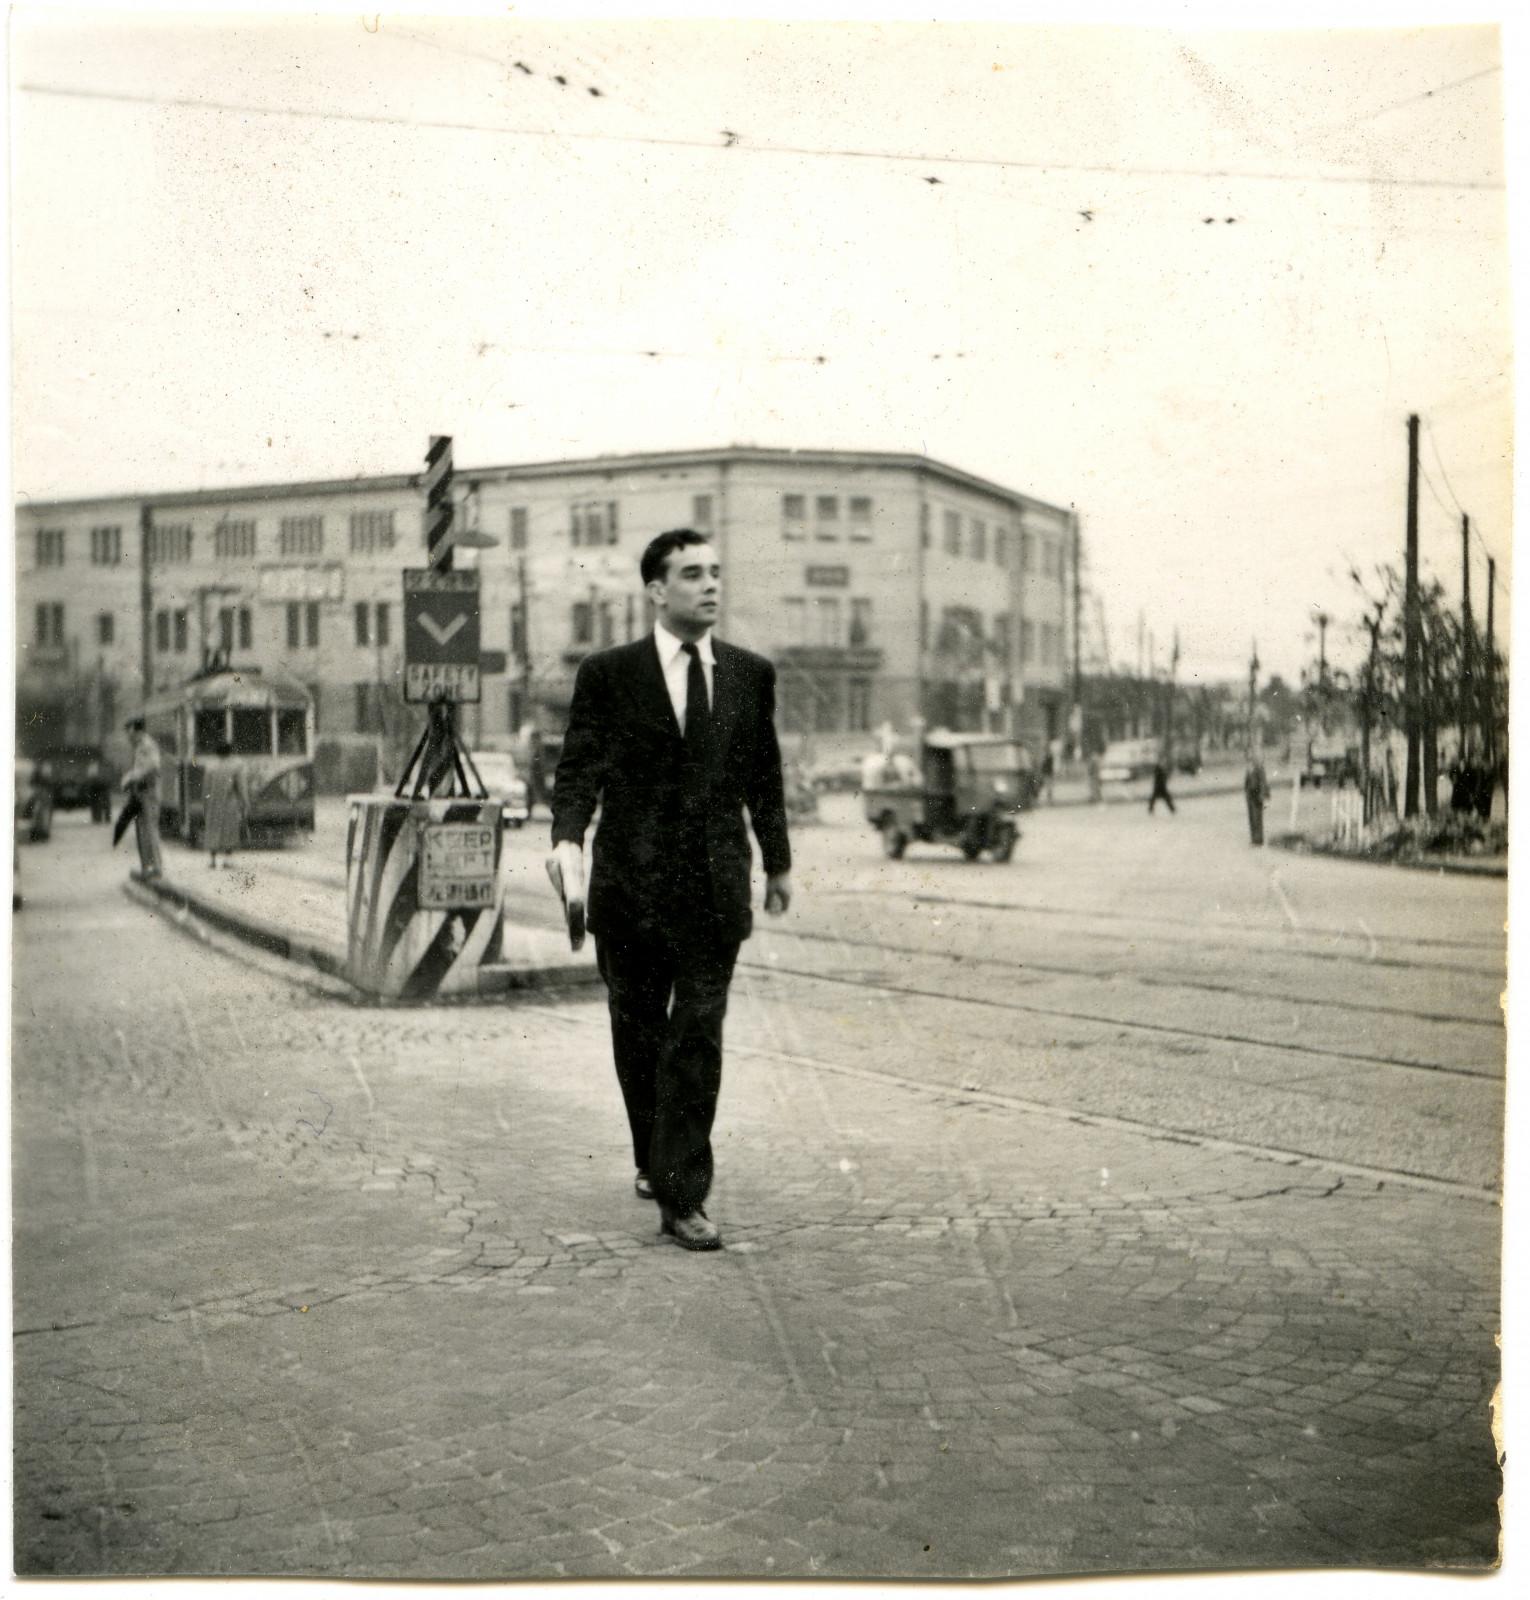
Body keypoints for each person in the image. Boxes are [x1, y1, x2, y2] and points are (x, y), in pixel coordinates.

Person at [550, 528, 792, 1252]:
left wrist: (777, 864)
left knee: (695, 1037)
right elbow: (577, 771)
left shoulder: (751, 675)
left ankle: (683, 1193)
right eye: (693, 574)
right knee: (639, 1036)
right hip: (629, 890)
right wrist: (567, 842)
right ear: (657, 590)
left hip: (715, 891)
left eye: (717, 572)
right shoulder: (609, 674)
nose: (710, 585)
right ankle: (654, 1157)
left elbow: (764, 779)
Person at [119, 716, 163, 879]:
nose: (128, 736)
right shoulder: (139, 746)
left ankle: (156, 867)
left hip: (149, 792)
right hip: (140, 792)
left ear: (137, 730)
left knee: (150, 830)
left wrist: (132, 777)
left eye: (130, 732)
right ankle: (147, 866)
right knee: (142, 830)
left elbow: (152, 766)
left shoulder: (147, 746)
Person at [203, 738, 250, 868]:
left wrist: (205, 804)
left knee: (213, 828)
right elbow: (241, 787)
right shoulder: (237, 765)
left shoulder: (210, 766)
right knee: (229, 830)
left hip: (213, 803)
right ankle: (227, 859)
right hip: (229, 802)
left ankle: (212, 860)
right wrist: (245, 803)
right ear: (231, 751)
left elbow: (206, 789)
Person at [1243, 755, 1270, 845]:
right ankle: (1254, 838)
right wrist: (1246, 792)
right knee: (1251, 817)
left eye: (1250, 760)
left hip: (1257, 795)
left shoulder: (1259, 768)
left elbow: (1263, 782)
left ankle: (1259, 839)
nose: (1249, 762)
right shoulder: (1248, 769)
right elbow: (1246, 782)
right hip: (1250, 795)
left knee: (1257, 817)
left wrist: (1262, 794)